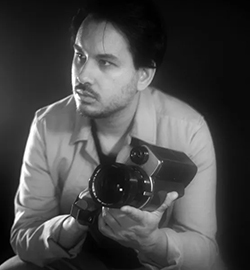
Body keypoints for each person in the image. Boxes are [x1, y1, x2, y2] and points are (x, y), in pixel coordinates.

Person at [0, 0, 221, 269]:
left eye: (105, 62)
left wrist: (152, 242)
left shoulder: (188, 130)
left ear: (144, 76)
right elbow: (23, 236)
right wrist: (73, 226)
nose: (82, 75)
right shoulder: (47, 124)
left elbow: (205, 253)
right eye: (80, 55)